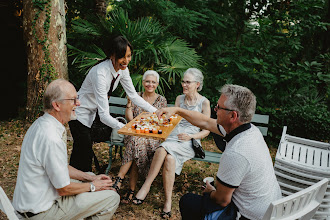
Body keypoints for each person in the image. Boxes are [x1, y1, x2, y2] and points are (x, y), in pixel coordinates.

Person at [157, 84, 282, 220]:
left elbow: (222, 200)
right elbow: (205, 122)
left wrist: (211, 192)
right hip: (271, 208)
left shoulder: (236, 152)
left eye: (219, 107)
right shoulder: (250, 130)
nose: (215, 110)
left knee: (188, 201)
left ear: (233, 116)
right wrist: (177, 110)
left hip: (250, 216)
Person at [12, 79, 120, 220]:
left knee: (87, 174)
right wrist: (93, 186)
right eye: (73, 100)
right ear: (57, 105)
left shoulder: (41, 124)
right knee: (112, 197)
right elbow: (63, 189)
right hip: (41, 213)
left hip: (34, 202)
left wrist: (91, 178)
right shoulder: (51, 138)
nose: (79, 103)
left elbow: (61, 167)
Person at [69, 36, 157, 172]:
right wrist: (126, 128)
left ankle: (72, 181)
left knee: (81, 152)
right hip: (79, 114)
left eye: (129, 56)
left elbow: (133, 95)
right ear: (112, 55)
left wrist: (155, 111)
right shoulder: (101, 73)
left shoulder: (123, 70)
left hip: (92, 115)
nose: (126, 61)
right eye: (122, 57)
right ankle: (77, 184)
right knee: (84, 156)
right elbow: (104, 115)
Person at [132, 68, 211, 219]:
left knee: (162, 149)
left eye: (188, 82)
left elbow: (206, 130)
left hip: (190, 141)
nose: (184, 85)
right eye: (183, 81)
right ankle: (168, 202)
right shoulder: (179, 99)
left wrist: (191, 136)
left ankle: (145, 186)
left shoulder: (204, 102)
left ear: (197, 84)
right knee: (169, 158)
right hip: (173, 137)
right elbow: (172, 122)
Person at [111, 70, 167, 203]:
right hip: (134, 133)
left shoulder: (161, 100)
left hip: (152, 137)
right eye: (147, 81)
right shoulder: (136, 96)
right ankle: (130, 188)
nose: (150, 84)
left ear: (157, 84)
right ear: (143, 82)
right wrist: (129, 104)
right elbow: (130, 120)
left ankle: (120, 179)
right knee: (136, 141)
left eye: (153, 82)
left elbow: (158, 123)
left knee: (135, 142)